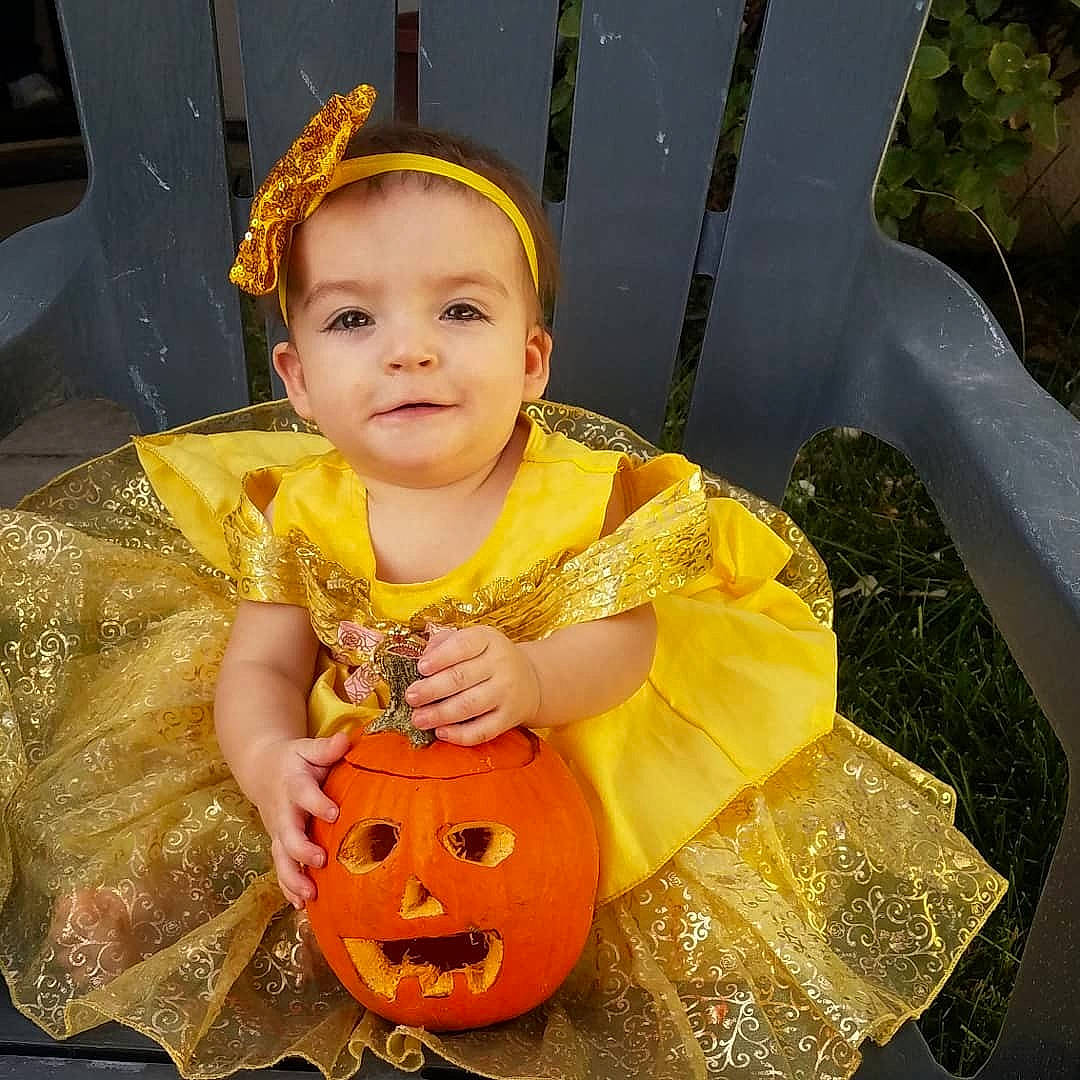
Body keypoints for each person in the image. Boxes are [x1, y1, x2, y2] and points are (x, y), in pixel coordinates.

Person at [0, 84, 1006, 1080]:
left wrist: (529, 679)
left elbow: (626, 644)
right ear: (298, 381)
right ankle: (156, 908)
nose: (410, 348)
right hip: (358, 776)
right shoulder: (291, 511)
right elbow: (262, 662)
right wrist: (269, 761)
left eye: (461, 309)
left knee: (636, 879)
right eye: (352, 320)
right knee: (252, 832)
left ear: (530, 362)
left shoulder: (580, 496)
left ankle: (684, 981)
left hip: (569, 766)